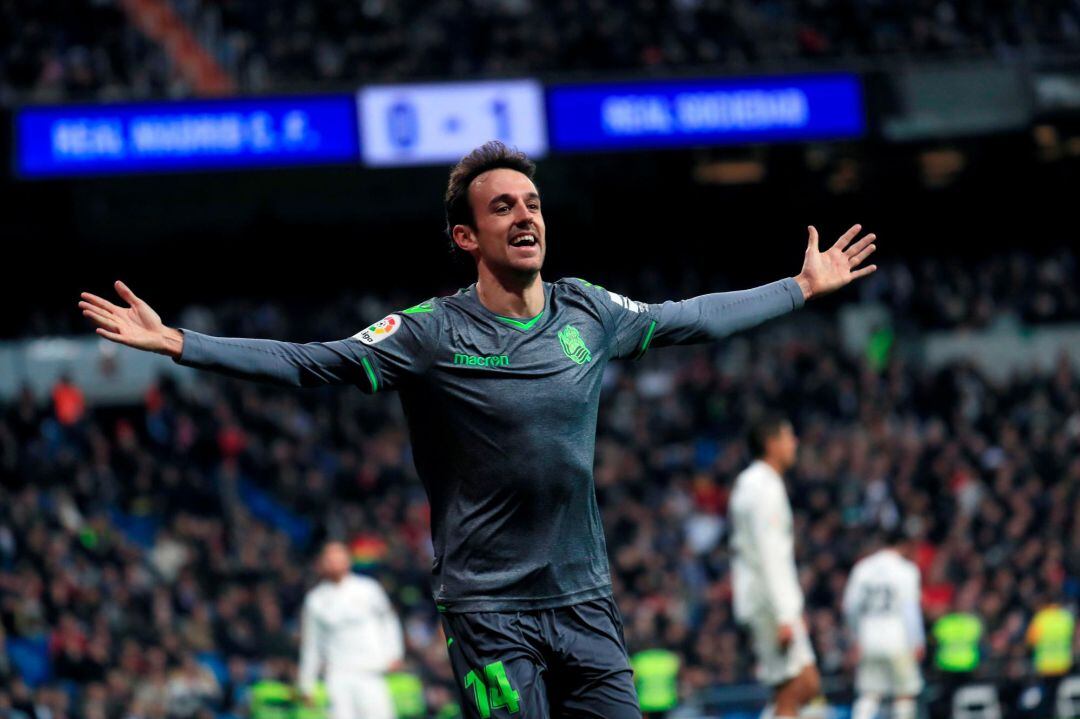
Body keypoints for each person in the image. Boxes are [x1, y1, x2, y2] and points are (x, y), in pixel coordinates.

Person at [79, 140, 877, 719]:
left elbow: (696, 318)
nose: (525, 216)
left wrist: (800, 287)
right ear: (467, 238)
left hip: (585, 599)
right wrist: (181, 342)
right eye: (503, 207)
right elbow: (312, 362)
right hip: (490, 609)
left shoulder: (588, 311)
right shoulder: (428, 332)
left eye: (531, 203)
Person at [729, 415, 821, 719]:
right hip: (769, 602)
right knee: (797, 686)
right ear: (771, 443)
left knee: (801, 685)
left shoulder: (749, 484)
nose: (794, 443)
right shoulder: (764, 488)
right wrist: (786, 614)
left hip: (763, 599)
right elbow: (770, 554)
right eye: (789, 436)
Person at [299, 542, 404, 719]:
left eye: (338, 558)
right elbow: (311, 643)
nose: (334, 563)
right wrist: (306, 683)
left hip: (371, 671)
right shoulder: (315, 600)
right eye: (330, 559)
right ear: (322, 563)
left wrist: (394, 653)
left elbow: (389, 622)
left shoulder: (369, 589)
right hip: (338, 674)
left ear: (347, 560)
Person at [842, 530, 925, 719]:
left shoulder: (862, 568)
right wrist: (917, 640)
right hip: (899, 638)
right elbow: (910, 610)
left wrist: (856, 636)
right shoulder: (906, 570)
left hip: (869, 638)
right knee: (904, 694)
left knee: (869, 693)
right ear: (903, 545)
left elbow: (850, 607)